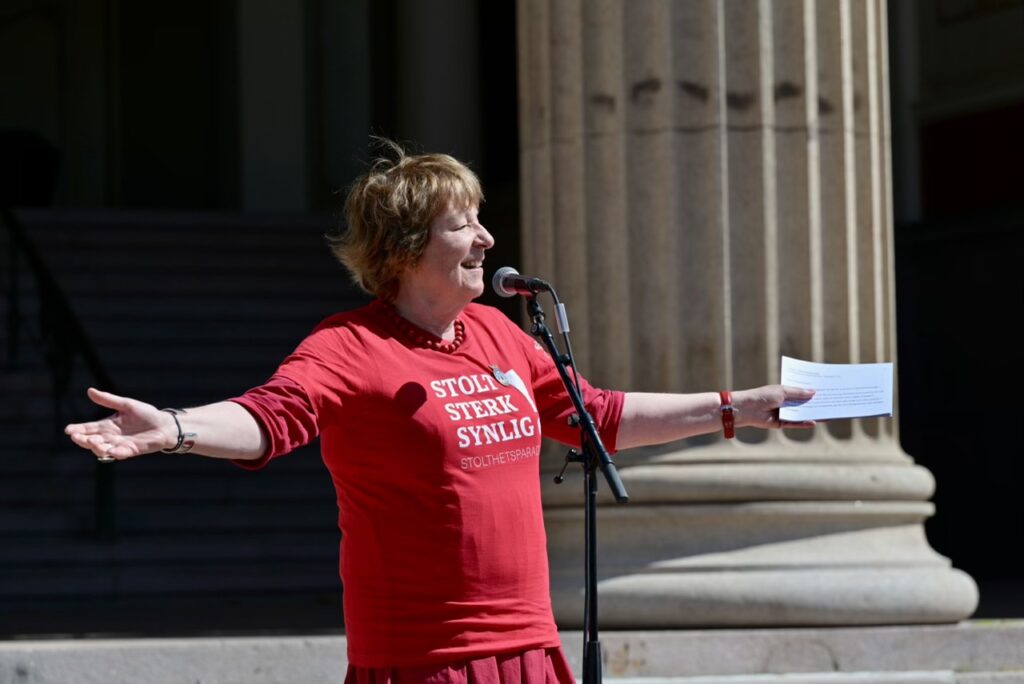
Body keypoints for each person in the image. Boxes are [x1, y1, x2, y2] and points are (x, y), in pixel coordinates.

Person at [65, 140, 814, 684]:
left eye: (481, 219)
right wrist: (176, 427)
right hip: (425, 655)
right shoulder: (349, 345)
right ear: (403, 247)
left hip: (527, 643)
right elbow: (272, 416)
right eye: (463, 224)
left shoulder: (496, 331)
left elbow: (595, 414)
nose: (487, 237)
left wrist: (737, 408)